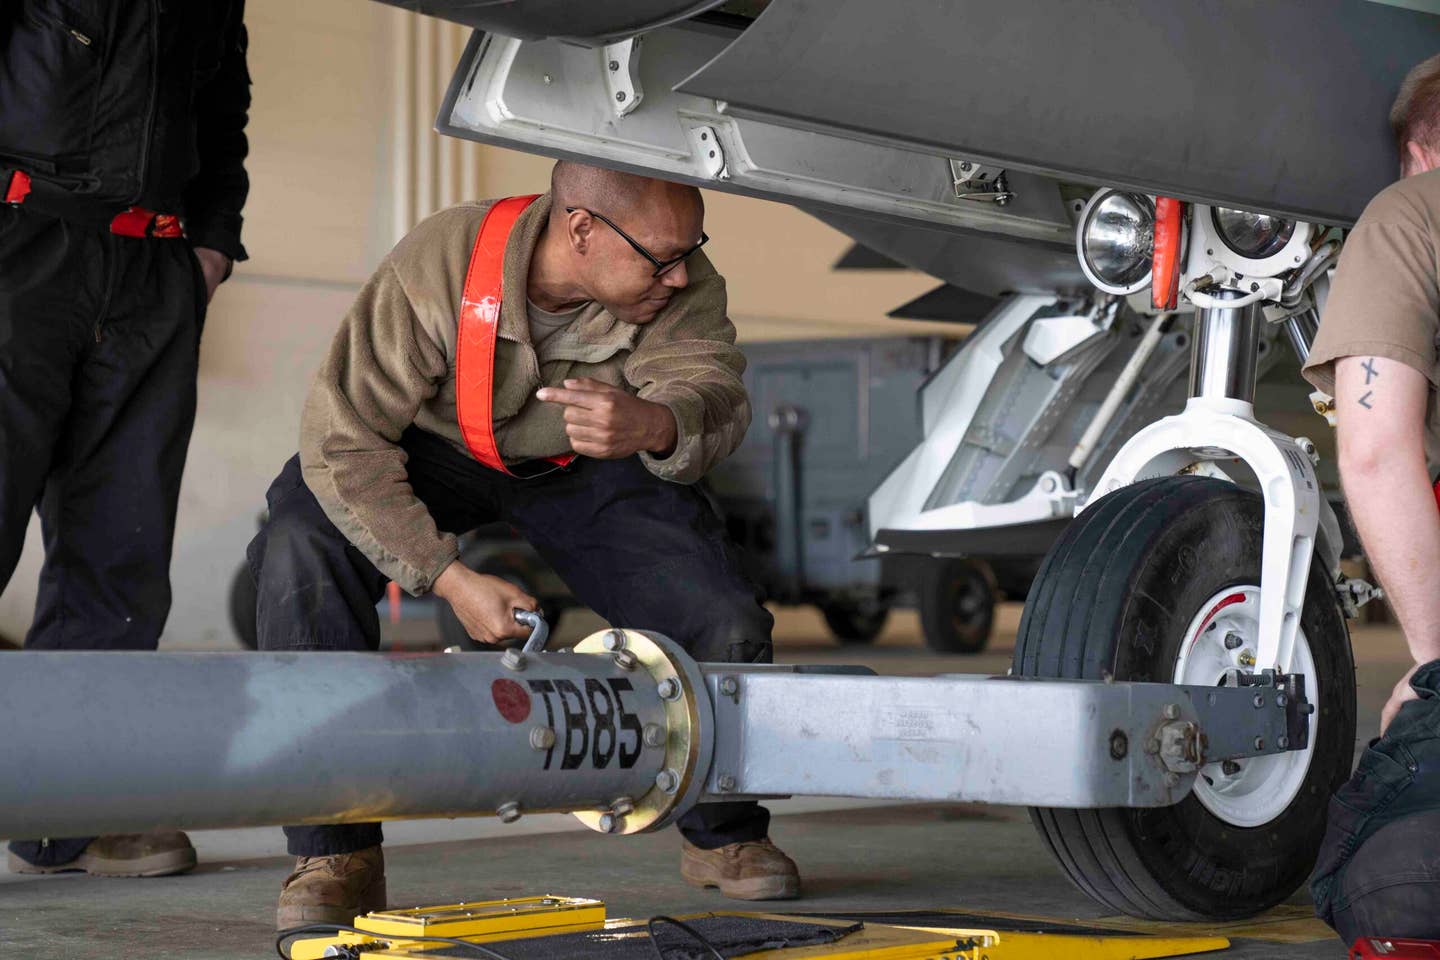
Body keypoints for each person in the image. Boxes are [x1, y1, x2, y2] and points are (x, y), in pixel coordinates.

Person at [247, 160, 802, 928]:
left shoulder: (682, 278)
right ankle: (333, 848)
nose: (678, 276)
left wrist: (659, 423)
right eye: (660, 258)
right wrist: (444, 575)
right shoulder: (440, 263)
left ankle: (723, 833)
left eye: (688, 251)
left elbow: (710, 384)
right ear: (580, 228)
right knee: (298, 545)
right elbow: (345, 439)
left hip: (586, 460)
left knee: (720, 612)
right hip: (431, 448)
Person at [1, 2, 251, 878]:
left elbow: (225, 106)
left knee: (121, 552)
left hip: (152, 270)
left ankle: (76, 806)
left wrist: (214, 241)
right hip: (19, 244)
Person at [1302, 52, 1440, 942]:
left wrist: (1434, 669)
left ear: (1418, 147)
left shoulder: (1412, 212)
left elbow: (1377, 450)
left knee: (1378, 873)